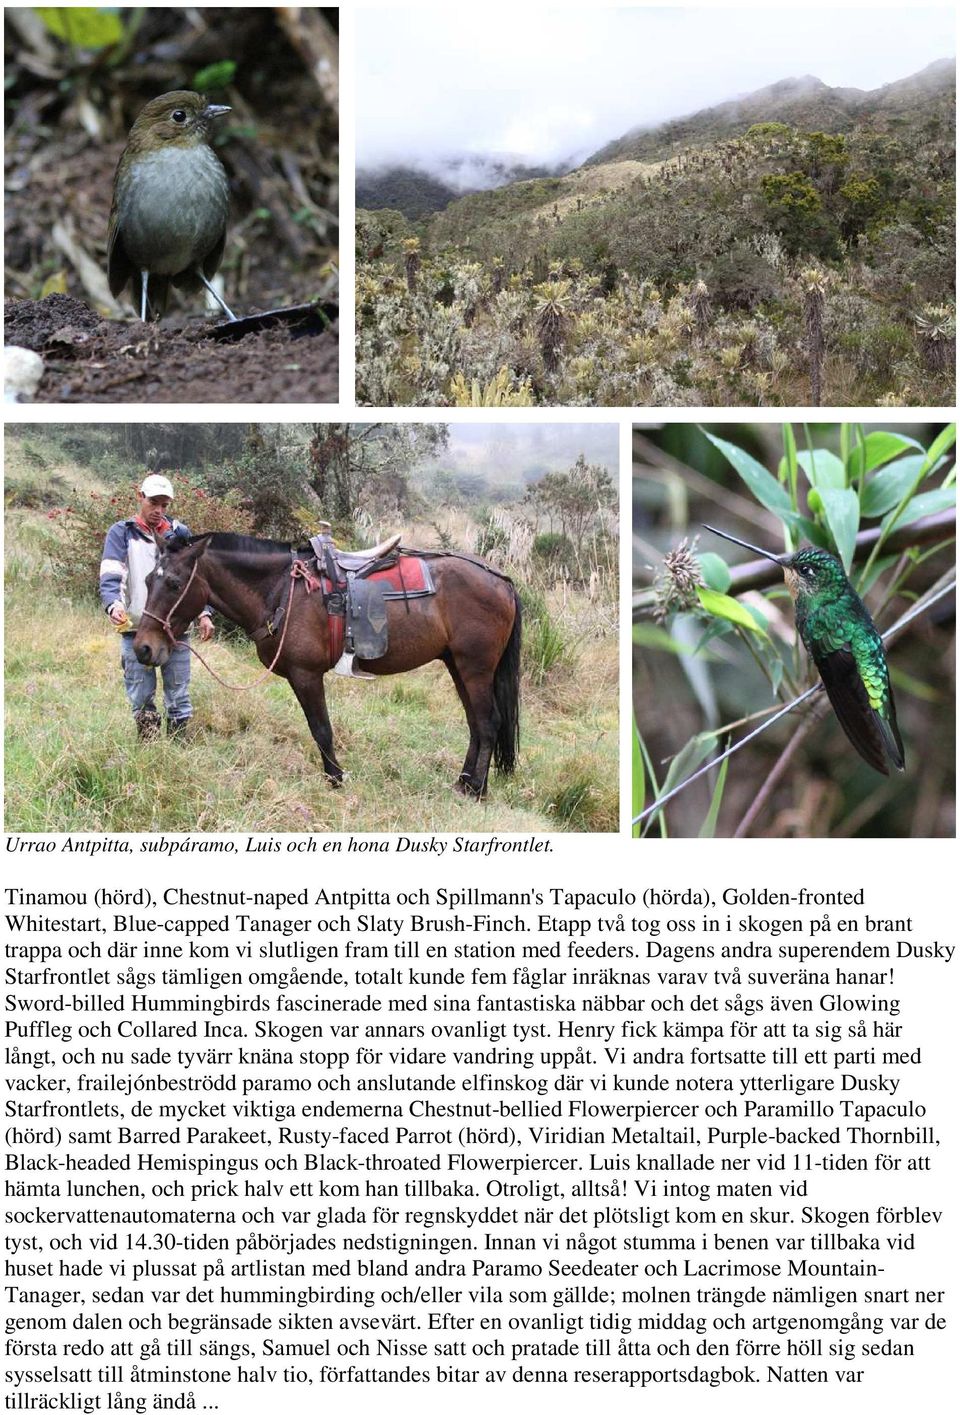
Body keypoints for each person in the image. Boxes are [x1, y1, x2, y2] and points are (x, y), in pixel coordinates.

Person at [99, 474, 214, 739]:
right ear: (140, 497)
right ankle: (149, 752)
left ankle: (178, 749)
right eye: (153, 502)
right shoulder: (122, 533)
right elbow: (112, 575)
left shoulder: (179, 535)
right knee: (140, 695)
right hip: (136, 630)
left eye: (164, 505)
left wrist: (204, 613)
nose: (158, 510)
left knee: (178, 694)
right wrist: (113, 605)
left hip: (174, 631)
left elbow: (193, 582)